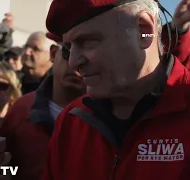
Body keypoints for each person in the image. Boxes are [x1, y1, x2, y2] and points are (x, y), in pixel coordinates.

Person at [42, 0, 190, 179]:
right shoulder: (71, 120)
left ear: (144, 31)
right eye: (68, 48)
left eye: (88, 41)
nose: (73, 63)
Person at [2, 32, 85, 180]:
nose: (74, 63)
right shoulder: (21, 109)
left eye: (86, 58)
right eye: (68, 52)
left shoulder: (107, 115)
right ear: (53, 54)